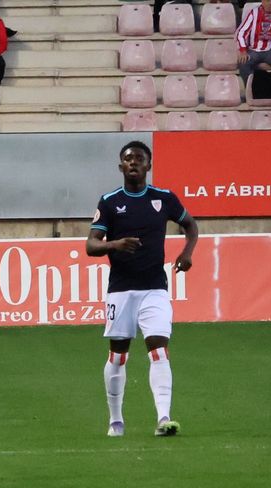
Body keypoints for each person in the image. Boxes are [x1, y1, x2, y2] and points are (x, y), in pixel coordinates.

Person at [85, 141, 199, 439]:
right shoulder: (110, 202)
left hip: (154, 289)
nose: (133, 162)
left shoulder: (164, 198)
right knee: (118, 356)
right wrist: (115, 244)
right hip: (121, 290)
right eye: (128, 159)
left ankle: (164, 418)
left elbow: (191, 225)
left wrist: (187, 253)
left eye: (139, 158)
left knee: (159, 350)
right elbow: (91, 245)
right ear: (120, 166)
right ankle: (115, 420)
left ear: (149, 165)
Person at [235, 0, 271, 81]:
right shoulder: (254, 13)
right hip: (253, 50)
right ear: (262, 1)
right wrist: (243, 51)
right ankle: (251, 87)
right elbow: (241, 32)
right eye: (268, 1)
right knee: (242, 62)